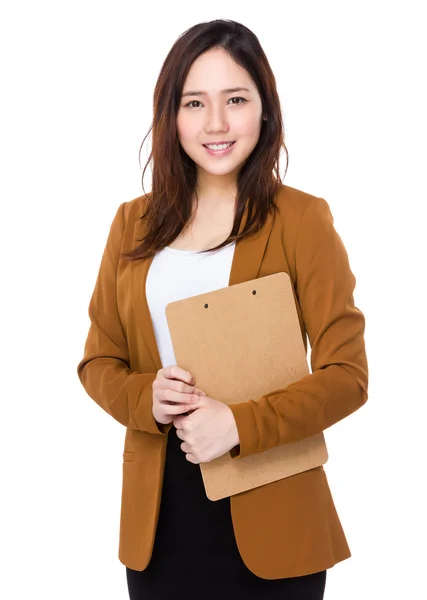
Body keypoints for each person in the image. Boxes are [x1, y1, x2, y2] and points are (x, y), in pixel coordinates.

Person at [77, 18, 368, 600]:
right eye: (194, 102)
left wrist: (239, 424)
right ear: (171, 115)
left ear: (265, 108)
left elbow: (348, 377)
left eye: (236, 99)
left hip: (276, 513)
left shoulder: (301, 221)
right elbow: (98, 362)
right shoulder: (132, 223)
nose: (216, 123)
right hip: (159, 521)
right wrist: (146, 398)